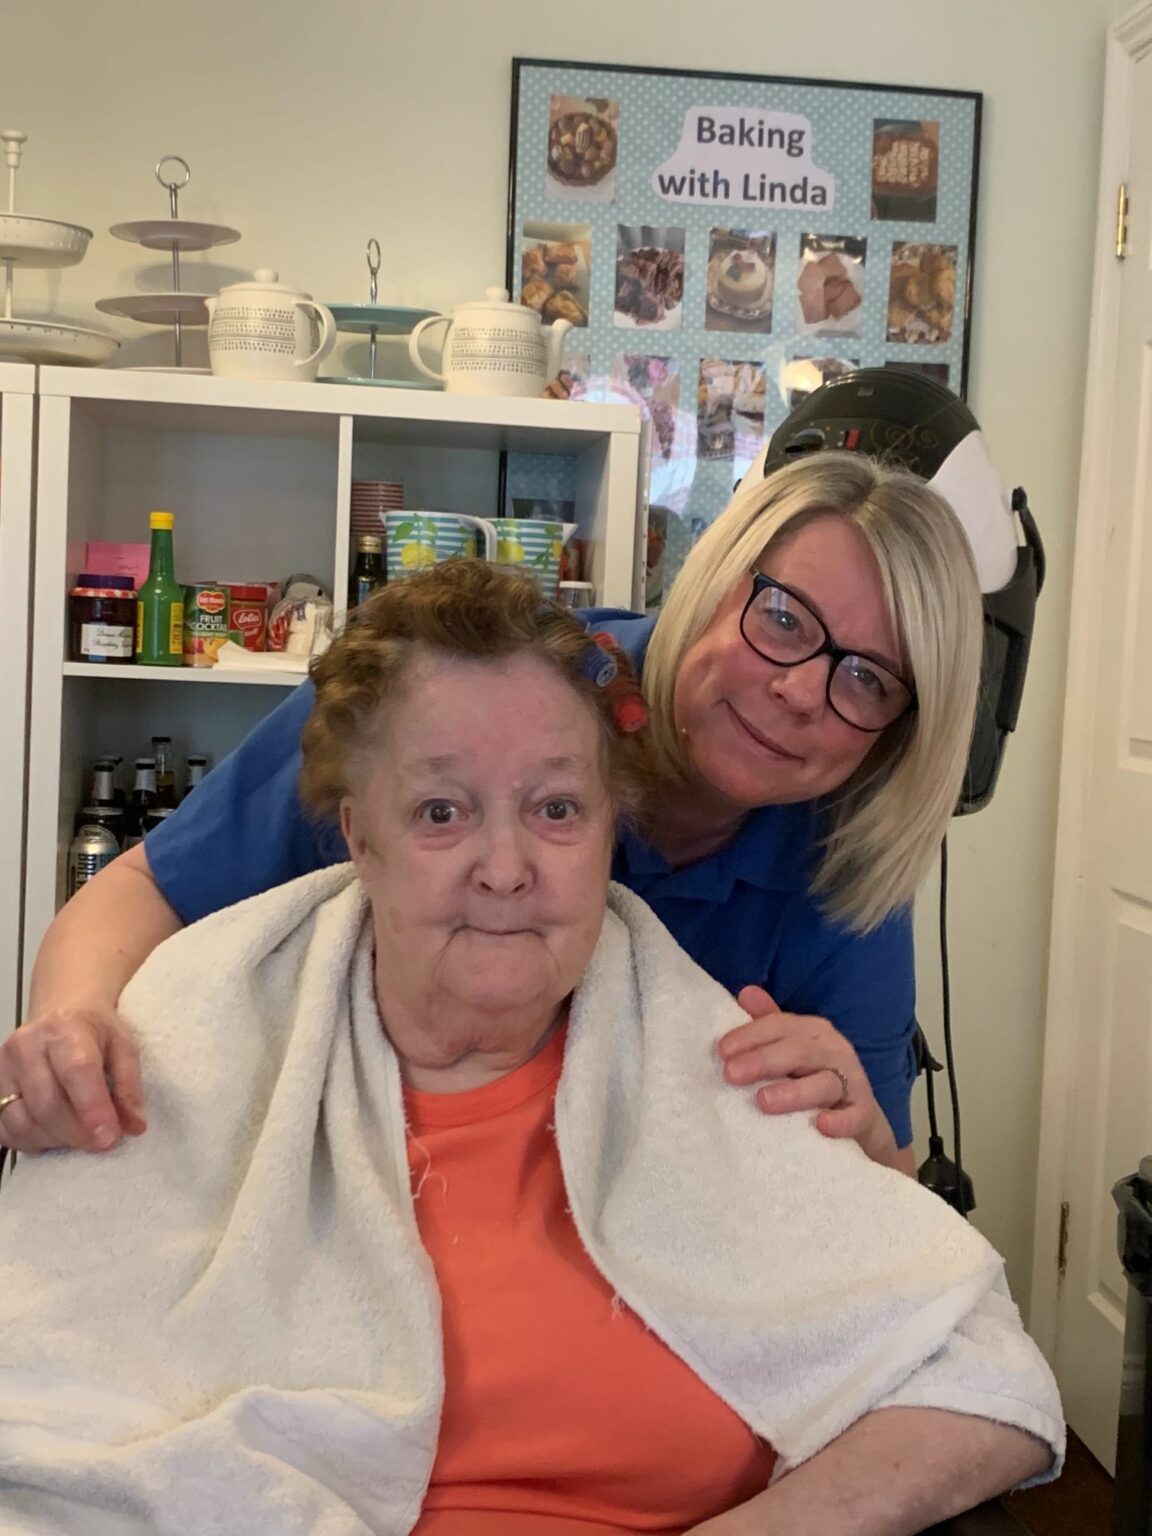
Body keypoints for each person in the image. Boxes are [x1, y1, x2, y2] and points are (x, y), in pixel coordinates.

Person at [0, 562, 1060, 1536]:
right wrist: (68, 1027)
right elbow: (49, 1416)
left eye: (556, 809)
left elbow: (981, 1375)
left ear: (610, 831)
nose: (505, 868)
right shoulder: (199, 1048)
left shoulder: (721, 1070)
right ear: (358, 834)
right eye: (442, 811)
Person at [4, 452, 982, 1175]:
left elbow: (882, 1201)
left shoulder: (842, 866)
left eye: (868, 678)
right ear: (720, 579)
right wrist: (73, 1025)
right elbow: (147, 890)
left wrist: (858, 1130)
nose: (802, 691)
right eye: (783, 619)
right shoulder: (466, 692)